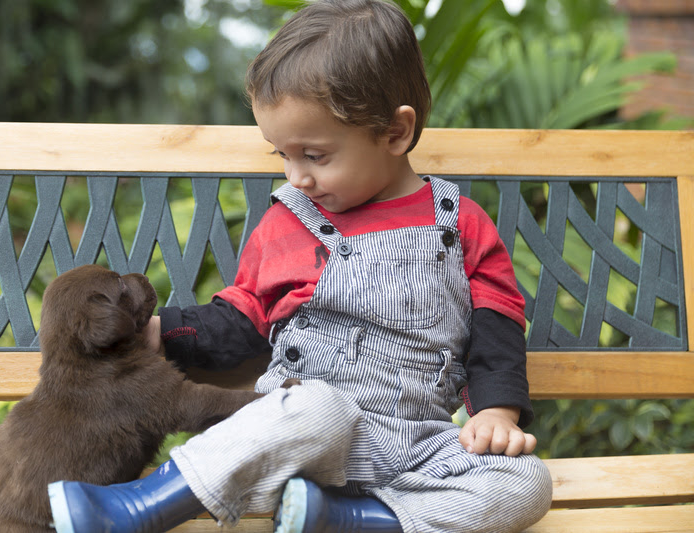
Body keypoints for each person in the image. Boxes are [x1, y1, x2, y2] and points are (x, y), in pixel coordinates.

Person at [47, 0, 553, 531]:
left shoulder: (460, 224)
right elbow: (243, 319)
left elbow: (497, 324)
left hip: (420, 445)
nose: (296, 177)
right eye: (281, 155)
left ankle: (348, 520)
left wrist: (498, 412)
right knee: (314, 406)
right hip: (305, 436)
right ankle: (139, 507)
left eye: (314, 155)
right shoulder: (289, 224)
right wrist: (160, 333)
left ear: (395, 133)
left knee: (524, 482)